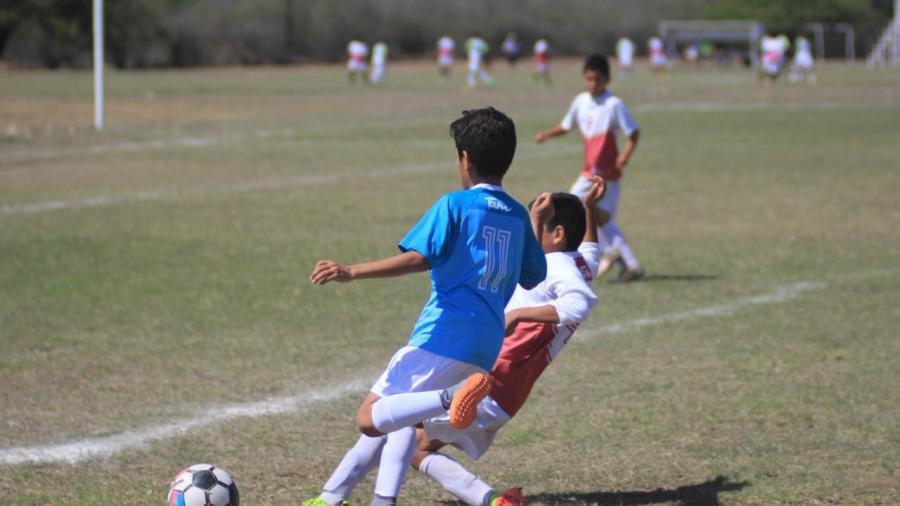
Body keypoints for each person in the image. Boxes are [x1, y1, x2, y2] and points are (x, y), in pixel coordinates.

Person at [300, 179, 607, 506]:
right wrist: (587, 209)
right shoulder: (578, 263)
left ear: (557, 235)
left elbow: (580, 303)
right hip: (505, 389)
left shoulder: (556, 267)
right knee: (408, 434)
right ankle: (335, 498)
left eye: (539, 228)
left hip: (490, 379)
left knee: (398, 414)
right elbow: (590, 250)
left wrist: (517, 316)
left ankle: (335, 499)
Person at [304, 107, 549, 506]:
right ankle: (337, 500)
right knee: (400, 418)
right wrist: (535, 224)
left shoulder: (455, 205)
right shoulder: (518, 216)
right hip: (485, 344)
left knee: (369, 419)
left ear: (464, 158)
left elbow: (420, 258)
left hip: (444, 334)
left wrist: (352, 270)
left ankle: (449, 398)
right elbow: (533, 276)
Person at [534, 54, 644, 282]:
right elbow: (566, 125)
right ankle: (624, 261)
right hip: (589, 172)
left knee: (594, 215)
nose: (593, 84)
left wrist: (624, 156)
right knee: (580, 209)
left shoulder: (614, 104)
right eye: (589, 79)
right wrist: (547, 134)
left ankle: (623, 260)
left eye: (597, 79)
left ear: (607, 79)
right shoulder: (581, 101)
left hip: (608, 175)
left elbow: (633, 133)